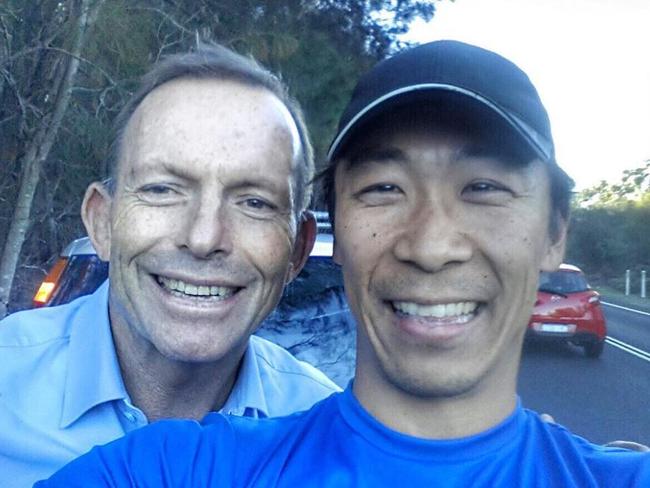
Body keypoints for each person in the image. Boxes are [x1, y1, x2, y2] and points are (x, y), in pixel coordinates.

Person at [37, 40, 650, 487]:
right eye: (383, 187)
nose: (431, 245)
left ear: (554, 233)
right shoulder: (172, 467)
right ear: (337, 232)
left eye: (485, 187)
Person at [0, 43, 340, 487]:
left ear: (298, 249)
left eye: (254, 202)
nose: (203, 238)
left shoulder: (330, 445)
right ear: (102, 222)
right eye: (162, 190)